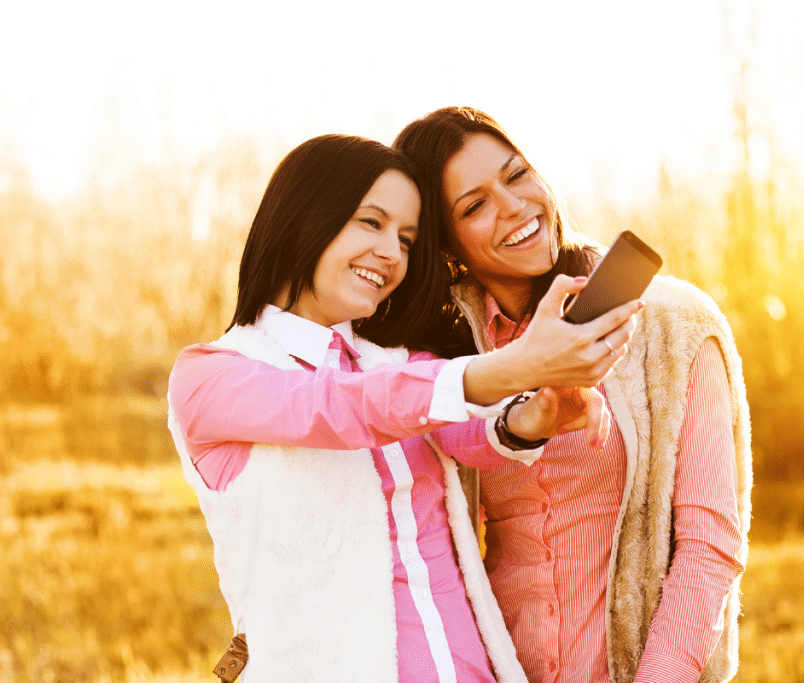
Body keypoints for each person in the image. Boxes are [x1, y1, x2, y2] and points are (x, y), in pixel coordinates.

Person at [166, 134, 640, 683]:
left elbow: (453, 434)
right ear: (305, 218)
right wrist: (521, 364)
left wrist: (530, 419)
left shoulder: (393, 360)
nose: (392, 253)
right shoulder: (212, 375)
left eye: (407, 239)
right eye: (371, 223)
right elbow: (340, 410)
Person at [394, 108, 753, 683]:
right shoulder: (449, 361)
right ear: (447, 247)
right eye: (474, 205)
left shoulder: (671, 325)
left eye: (516, 176)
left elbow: (711, 546)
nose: (513, 206)